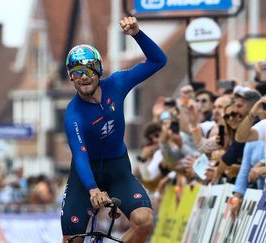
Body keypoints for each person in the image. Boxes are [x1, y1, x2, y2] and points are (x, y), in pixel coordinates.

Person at [60, 17, 167, 243]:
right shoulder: (73, 115)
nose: (83, 77)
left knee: (144, 220)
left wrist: (138, 34)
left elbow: (158, 60)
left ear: (99, 70)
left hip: (117, 167)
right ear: (70, 77)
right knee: (72, 239)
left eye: (88, 70)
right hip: (85, 174)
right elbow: (79, 155)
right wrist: (92, 189)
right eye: (76, 73)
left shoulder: (117, 83)